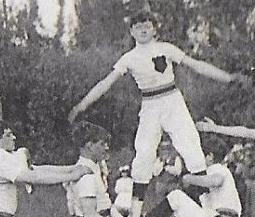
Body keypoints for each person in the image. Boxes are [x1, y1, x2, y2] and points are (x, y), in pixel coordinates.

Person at [67, 14, 245, 206]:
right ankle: (135, 208)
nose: (143, 30)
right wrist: (82, 105)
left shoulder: (166, 48)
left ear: (154, 29)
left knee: (190, 145)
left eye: (147, 26)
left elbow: (196, 65)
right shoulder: (129, 58)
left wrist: (228, 77)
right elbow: (105, 83)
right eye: (138, 27)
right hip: (150, 104)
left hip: (172, 100)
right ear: (132, 32)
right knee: (143, 152)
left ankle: (209, 204)